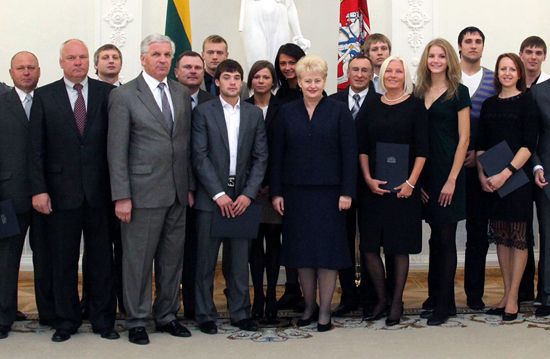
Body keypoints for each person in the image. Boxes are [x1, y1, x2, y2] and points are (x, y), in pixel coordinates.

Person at [29, 39, 118, 342]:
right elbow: (35, 149)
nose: (78, 62)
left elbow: (117, 147)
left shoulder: (109, 94)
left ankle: (102, 319)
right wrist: (39, 190)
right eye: (72, 58)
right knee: (64, 260)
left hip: (100, 194)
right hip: (59, 194)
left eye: (82, 57)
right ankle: (66, 320)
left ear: (88, 61)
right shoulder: (44, 96)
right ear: (61, 62)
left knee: (101, 260)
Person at [107, 34, 193, 345]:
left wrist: (190, 187)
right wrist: (122, 195)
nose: (162, 60)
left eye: (167, 55)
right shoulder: (125, 95)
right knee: (138, 261)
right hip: (140, 194)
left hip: (177, 191)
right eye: (156, 54)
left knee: (172, 259)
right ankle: (137, 320)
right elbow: (116, 151)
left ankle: (167, 314)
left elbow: (185, 145)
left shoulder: (181, 93)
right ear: (143, 58)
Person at [271, 55, 357, 332]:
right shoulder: (286, 112)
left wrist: (347, 191)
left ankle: (325, 311)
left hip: (331, 196)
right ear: (298, 81)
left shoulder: (338, 110)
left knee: (328, 255)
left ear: (324, 81)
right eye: (307, 80)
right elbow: (277, 156)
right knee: (303, 255)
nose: (312, 85)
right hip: (295, 195)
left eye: (317, 80)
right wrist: (277, 193)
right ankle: (308, 307)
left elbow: (349, 154)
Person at [192, 59, 268, 335]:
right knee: (206, 261)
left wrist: (248, 194)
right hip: (211, 198)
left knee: (238, 261)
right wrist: (218, 193)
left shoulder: (253, 114)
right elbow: (199, 157)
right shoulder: (203, 112)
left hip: (242, 198)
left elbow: (261, 158)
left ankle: (240, 312)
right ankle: (205, 313)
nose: (233, 82)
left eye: (237, 77)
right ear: (218, 82)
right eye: (227, 78)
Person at [358, 56, 428, 326]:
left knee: (399, 247)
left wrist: (410, 183)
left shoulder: (416, 106)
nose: (393, 75)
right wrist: (367, 178)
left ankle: (397, 300)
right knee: (370, 247)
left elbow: (423, 150)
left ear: (405, 75)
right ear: (382, 75)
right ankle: (381, 298)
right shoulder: (371, 104)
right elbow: (362, 146)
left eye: (398, 71)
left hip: (404, 191)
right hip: (374, 188)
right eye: (389, 71)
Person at [477, 53, 538, 321]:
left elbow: (528, 145)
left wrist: (505, 173)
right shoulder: (489, 104)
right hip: (491, 179)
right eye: (503, 68)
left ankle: (514, 296)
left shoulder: (527, 101)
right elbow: (481, 144)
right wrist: (482, 175)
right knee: (501, 235)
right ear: (497, 74)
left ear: (519, 73)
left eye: (512, 69)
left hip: (517, 178)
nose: (507, 73)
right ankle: (504, 293)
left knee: (518, 236)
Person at [414, 38, 470, 326]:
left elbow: (464, 139)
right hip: (425, 174)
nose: (436, 60)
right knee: (435, 237)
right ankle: (435, 295)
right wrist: (418, 181)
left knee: (447, 238)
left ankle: (446, 304)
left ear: (449, 60)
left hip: (450, 173)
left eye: (441, 56)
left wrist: (452, 179)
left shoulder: (459, 92)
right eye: (431, 56)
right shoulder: (418, 91)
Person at [329, 54, 378, 318]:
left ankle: (371, 296)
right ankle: (348, 296)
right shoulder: (332, 102)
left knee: (370, 243)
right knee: (343, 242)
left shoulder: (380, 102)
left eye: (364, 70)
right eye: (355, 70)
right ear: (347, 72)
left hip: (372, 183)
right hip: (340, 184)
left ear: (372, 74)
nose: (359, 74)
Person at [0, 51, 44, 339]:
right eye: (21, 68)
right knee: (6, 259)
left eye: (31, 68)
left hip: (45, 198)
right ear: (11, 71)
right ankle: (4, 314)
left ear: (39, 71)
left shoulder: (48, 101)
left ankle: (50, 311)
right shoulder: (1, 102)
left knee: (46, 258)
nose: (26, 72)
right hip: (9, 194)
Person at [458, 26, 497, 310]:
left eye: (478, 41)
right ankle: (438, 295)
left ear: (483, 47)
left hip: (482, 168)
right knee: (442, 233)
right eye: (468, 41)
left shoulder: (495, 81)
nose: (473, 45)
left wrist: (482, 160)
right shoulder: (446, 78)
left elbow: (500, 128)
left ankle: (474, 294)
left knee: (478, 233)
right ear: (459, 46)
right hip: (450, 169)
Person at [174, 50, 214, 320]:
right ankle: (164, 306)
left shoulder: (213, 102)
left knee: (197, 253)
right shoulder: (166, 99)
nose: (192, 71)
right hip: (170, 187)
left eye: (197, 68)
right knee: (169, 253)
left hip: (207, 191)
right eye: (186, 67)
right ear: (176, 71)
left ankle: (194, 306)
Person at [245, 60, 283, 322]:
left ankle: (272, 296)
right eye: (256, 76)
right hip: (248, 189)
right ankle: (257, 296)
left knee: (274, 244)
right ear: (250, 81)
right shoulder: (243, 107)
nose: (261, 81)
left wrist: (274, 184)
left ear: (273, 81)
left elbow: (286, 150)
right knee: (253, 246)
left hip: (276, 188)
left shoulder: (285, 109)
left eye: (266, 77)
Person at [272, 42, 306, 309]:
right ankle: (291, 288)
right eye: (282, 63)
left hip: (309, 180)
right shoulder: (276, 97)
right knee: (288, 236)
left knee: (304, 236)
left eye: (292, 62)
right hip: (285, 177)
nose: (287, 68)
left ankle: (306, 292)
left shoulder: (316, 94)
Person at [518, 35, 548, 304]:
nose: (533, 57)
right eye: (529, 51)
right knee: (520, 230)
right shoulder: (508, 83)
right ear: (521, 54)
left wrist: (537, 162)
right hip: (513, 169)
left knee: (546, 232)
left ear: (544, 57)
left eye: (538, 53)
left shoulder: (548, 87)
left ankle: (545, 292)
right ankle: (523, 290)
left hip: (542, 168)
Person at [239, 0, 310, 69]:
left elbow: (290, 6)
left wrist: (298, 35)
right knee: (257, 62)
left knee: (279, 61)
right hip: (254, 14)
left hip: (280, 15)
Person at [532, 78, 550, 317]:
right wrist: (536, 167)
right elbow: (531, 138)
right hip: (547, 175)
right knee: (548, 235)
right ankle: (547, 295)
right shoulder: (538, 93)